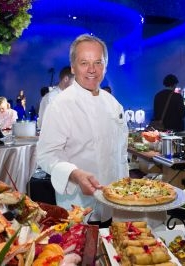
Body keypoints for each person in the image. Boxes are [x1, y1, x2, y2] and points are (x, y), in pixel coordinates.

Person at [36, 34, 128, 227]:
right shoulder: (60, 104)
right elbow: (45, 155)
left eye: (98, 62)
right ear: (72, 67)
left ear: (105, 65)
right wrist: (75, 174)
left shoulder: (113, 104)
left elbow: (120, 155)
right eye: (84, 62)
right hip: (78, 207)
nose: (92, 70)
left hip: (115, 203)